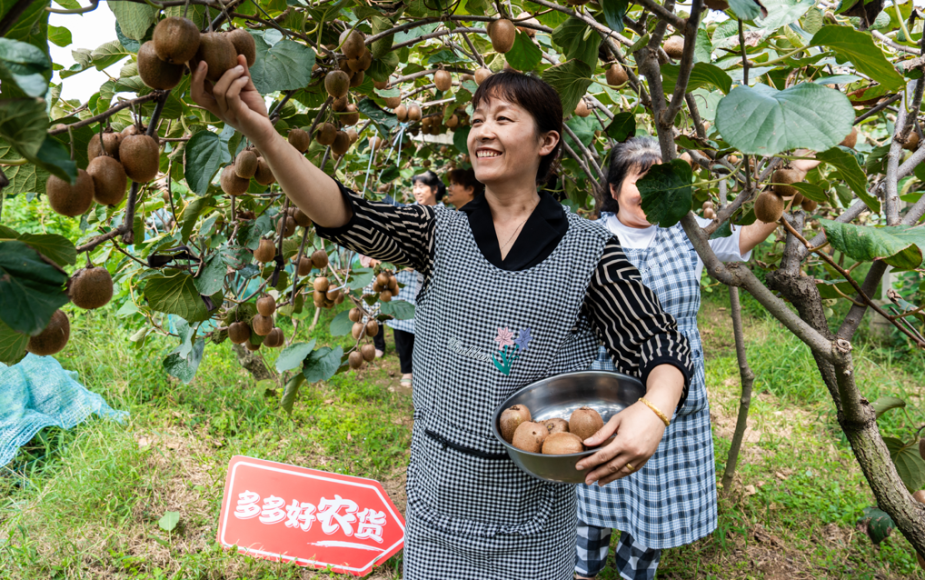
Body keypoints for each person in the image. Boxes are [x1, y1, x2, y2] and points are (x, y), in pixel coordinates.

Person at [192, 59, 694, 579]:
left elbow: (659, 341)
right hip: (439, 496)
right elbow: (343, 212)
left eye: (503, 118)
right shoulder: (436, 230)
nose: (483, 131)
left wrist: (655, 411)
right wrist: (265, 134)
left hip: (533, 512)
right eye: (477, 120)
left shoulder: (589, 250)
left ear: (546, 142)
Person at [575, 137, 777, 580]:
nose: (651, 192)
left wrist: (780, 188)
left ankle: (634, 572)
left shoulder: (690, 231)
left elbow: (745, 237)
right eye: (639, 180)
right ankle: (581, 572)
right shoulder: (587, 239)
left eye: (662, 180)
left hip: (671, 390)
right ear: (612, 189)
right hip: (604, 385)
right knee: (592, 489)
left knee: (654, 497)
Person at [387, 171, 446, 387]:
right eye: (415, 187)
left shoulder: (445, 216)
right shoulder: (407, 212)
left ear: (435, 189)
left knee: (427, 325)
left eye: (421, 186)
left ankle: (427, 370)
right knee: (402, 323)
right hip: (406, 278)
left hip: (431, 279)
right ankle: (406, 371)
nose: (417, 191)